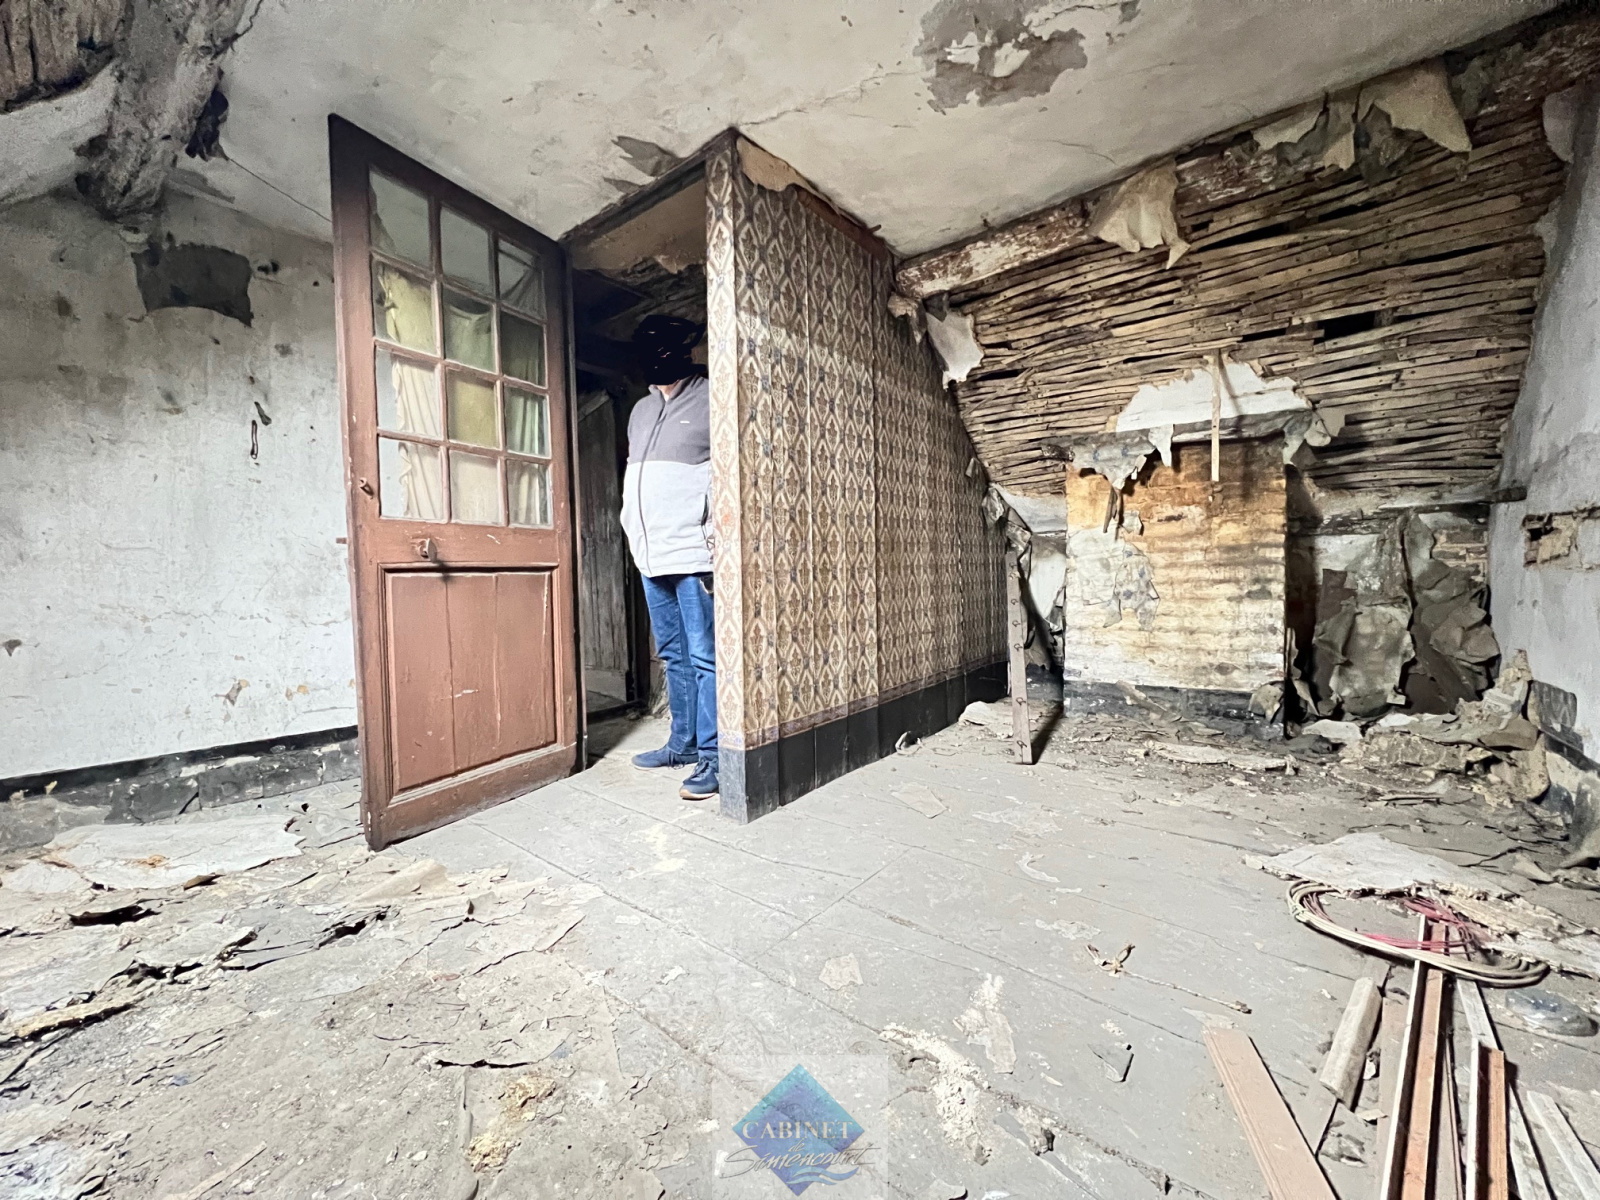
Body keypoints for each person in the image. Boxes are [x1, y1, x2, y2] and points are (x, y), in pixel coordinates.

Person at [619, 315, 718, 800]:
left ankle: (716, 758)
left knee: (705, 657)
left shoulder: (714, 397)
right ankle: (683, 744)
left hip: (694, 553)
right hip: (650, 553)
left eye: (664, 349)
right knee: (673, 655)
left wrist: (713, 531)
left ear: (685, 351)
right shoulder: (640, 410)